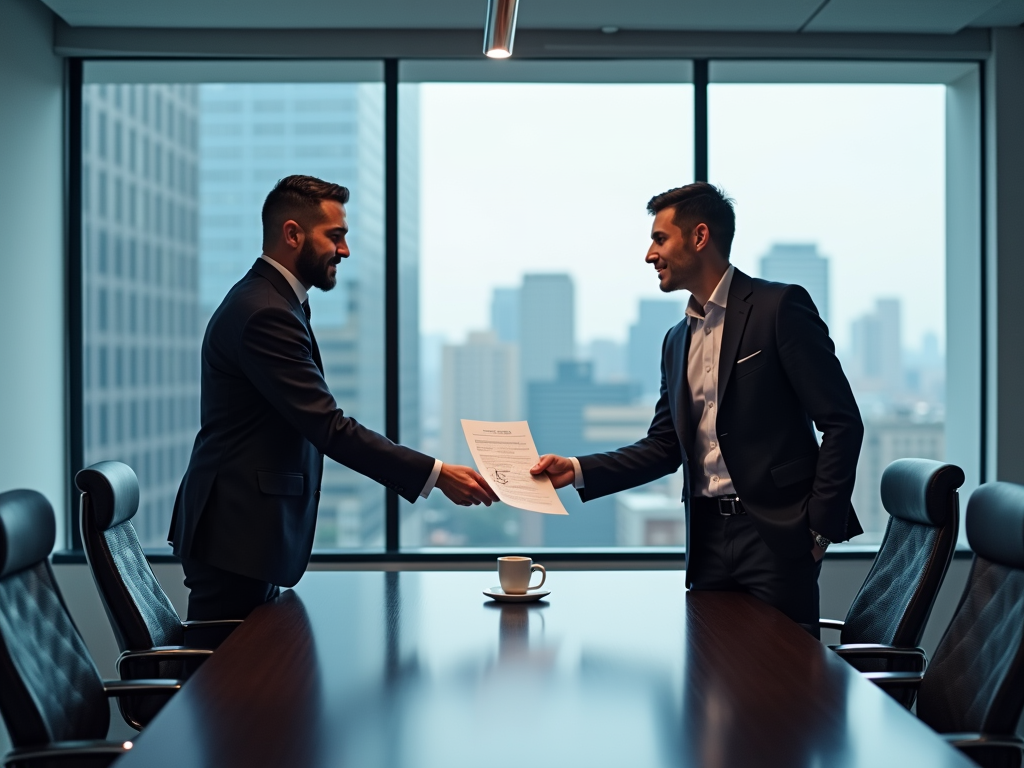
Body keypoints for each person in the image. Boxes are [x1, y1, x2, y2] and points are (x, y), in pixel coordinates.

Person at [531, 183, 863, 636]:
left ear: (700, 237)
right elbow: (665, 446)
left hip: (777, 537)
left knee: (785, 685)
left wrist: (818, 531)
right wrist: (576, 468)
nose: (650, 254)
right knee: (711, 677)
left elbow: (842, 423)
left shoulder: (778, 307)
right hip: (706, 538)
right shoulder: (675, 340)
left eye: (660, 239)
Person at [169, 175, 497, 620]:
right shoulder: (266, 311)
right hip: (236, 535)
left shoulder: (274, 301)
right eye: (335, 237)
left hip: (244, 532)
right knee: (224, 681)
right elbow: (328, 427)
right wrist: (436, 475)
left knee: (250, 677)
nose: (344, 251)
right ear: (292, 234)